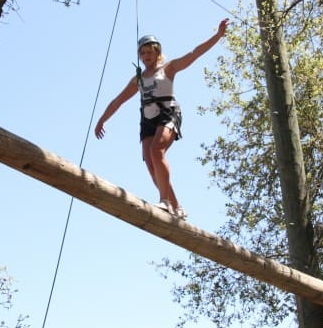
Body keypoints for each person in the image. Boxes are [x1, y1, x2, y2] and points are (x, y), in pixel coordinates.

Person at [94, 19, 229, 220]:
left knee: (157, 150)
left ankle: (164, 202)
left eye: (150, 52)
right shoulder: (138, 79)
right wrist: (102, 120)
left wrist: (217, 36)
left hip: (168, 113)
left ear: (157, 52)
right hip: (147, 119)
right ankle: (176, 207)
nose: (146, 56)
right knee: (150, 162)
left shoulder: (168, 68)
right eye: (142, 53)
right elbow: (118, 100)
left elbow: (194, 54)